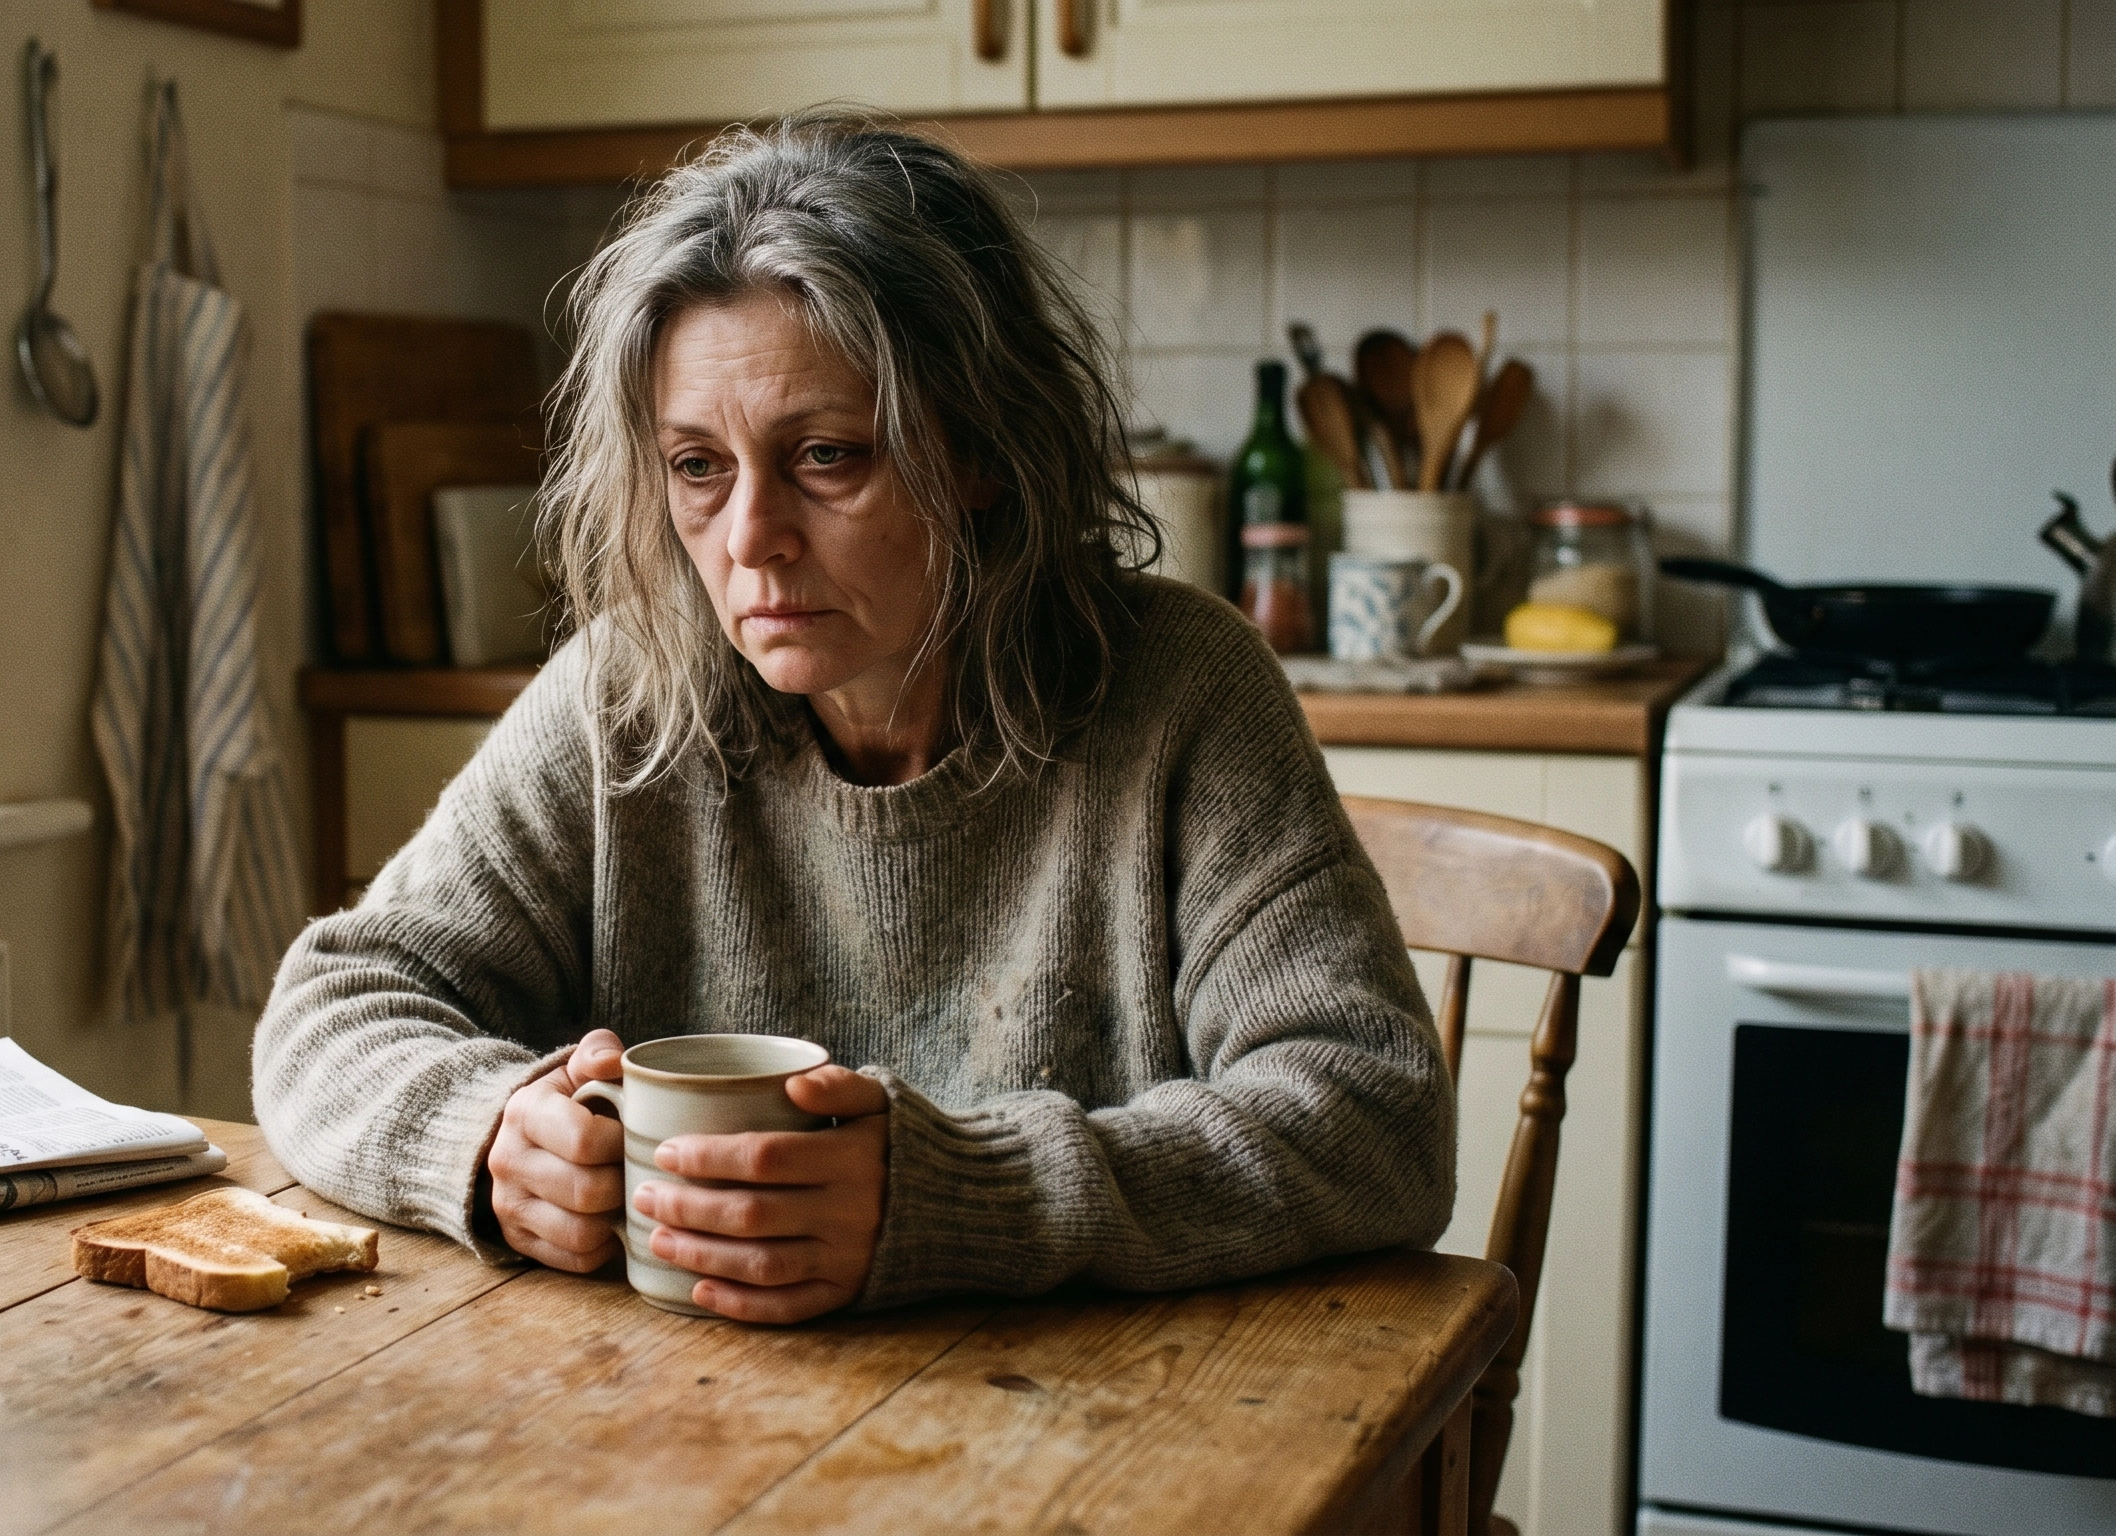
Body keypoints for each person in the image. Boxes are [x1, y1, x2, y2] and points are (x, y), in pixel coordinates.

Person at [254, 116, 1453, 1325]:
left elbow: (1374, 1114)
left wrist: (961, 1195)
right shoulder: (633, 691)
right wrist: (486, 1135)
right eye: (696, 466)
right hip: (675, 1437)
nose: (749, 541)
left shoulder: (1179, 692)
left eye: (826, 455)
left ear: (981, 447)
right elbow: (329, 1010)